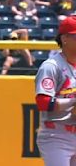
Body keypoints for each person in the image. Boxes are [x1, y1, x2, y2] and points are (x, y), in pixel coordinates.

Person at [35, 16, 76, 166]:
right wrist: (73, 102)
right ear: (65, 38)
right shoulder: (51, 66)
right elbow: (43, 102)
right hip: (56, 135)